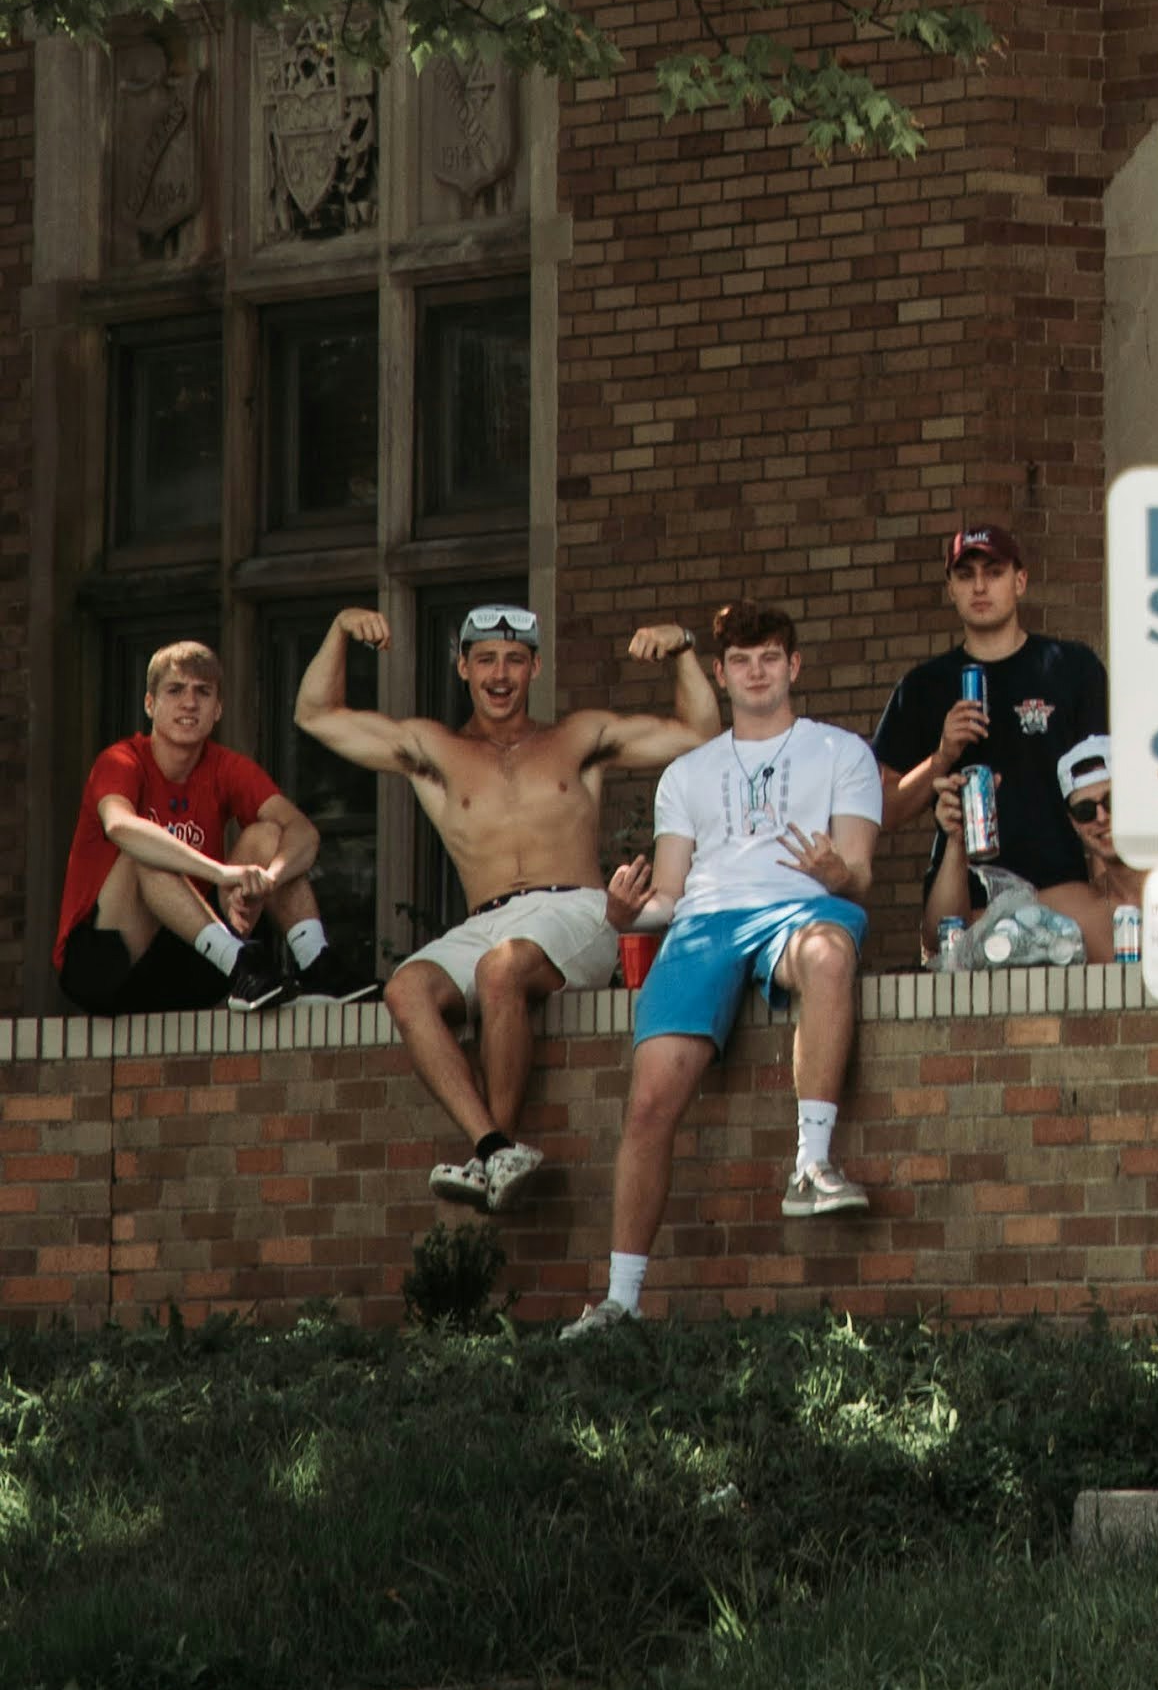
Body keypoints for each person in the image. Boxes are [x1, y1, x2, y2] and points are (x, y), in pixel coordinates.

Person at [297, 601, 720, 1207]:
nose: (501, 674)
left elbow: (698, 731)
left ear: (536, 667)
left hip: (575, 910)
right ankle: (495, 1148)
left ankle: (492, 1150)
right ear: (463, 667)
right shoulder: (433, 749)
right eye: (487, 660)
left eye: (515, 661)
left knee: (501, 968)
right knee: (405, 990)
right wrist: (338, 628)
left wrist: (681, 646)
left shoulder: (577, 737)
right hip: (485, 918)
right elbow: (315, 714)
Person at [554, 604, 881, 1338]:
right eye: (741, 659)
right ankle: (621, 1301)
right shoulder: (686, 773)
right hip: (704, 924)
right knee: (647, 1105)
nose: (757, 670)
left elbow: (858, 869)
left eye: (770, 656)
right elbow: (666, 897)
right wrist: (619, 913)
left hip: (798, 911)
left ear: (794, 666)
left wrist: (837, 868)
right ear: (722, 673)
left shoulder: (842, 752)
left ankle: (812, 1166)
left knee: (830, 952)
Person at [54, 643, 338, 1016]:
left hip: (191, 963)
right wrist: (219, 873)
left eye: (202, 692)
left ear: (217, 709)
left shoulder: (226, 766)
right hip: (102, 967)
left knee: (268, 835)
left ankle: (317, 964)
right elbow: (119, 825)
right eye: (175, 690)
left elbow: (303, 832)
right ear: (150, 704)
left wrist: (266, 880)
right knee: (145, 848)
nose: (190, 703)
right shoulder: (121, 760)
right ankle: (242, 965)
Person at [873, 524, 1111, 956]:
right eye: (965, 575)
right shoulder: (924, 685)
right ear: (950, 589)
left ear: (1020, 581)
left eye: (994, 572)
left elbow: (1106, 786)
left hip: (1063, 884)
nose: (979, 586)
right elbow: (883, 810)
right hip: (967, 893)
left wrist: (1105, 880)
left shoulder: (1071, 667)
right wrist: (942, 755)